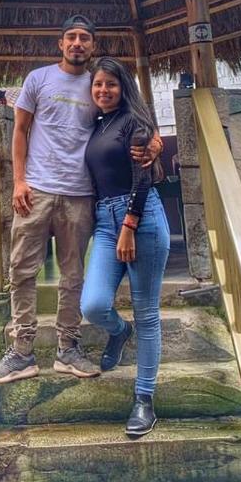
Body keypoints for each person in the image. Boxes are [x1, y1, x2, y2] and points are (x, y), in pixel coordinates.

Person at [0, 17, 162, 384]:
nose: (77, 43)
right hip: (37, 189)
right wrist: (18, 181)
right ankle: (21, 352)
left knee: (73, 274)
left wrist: (155, 139)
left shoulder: (99, 84)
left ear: (92, 46)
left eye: (85, 38)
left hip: (81, 194)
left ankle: (68, 348)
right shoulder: (38, 79)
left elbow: (133, 113)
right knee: (21, 269)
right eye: (71, 37)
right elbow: (19, 129)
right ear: (60, 43)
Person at [80, 56, 171, 436]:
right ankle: (119, 331)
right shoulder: (98, 124)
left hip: (141, 219)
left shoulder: (135, 124)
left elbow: (144, 178)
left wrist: (129, 226)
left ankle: (144, 400)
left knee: (147, 312)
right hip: (105, 221)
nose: (103, 90)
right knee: (94, 304)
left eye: (111, 85)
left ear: (124, 87)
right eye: (98, 84)